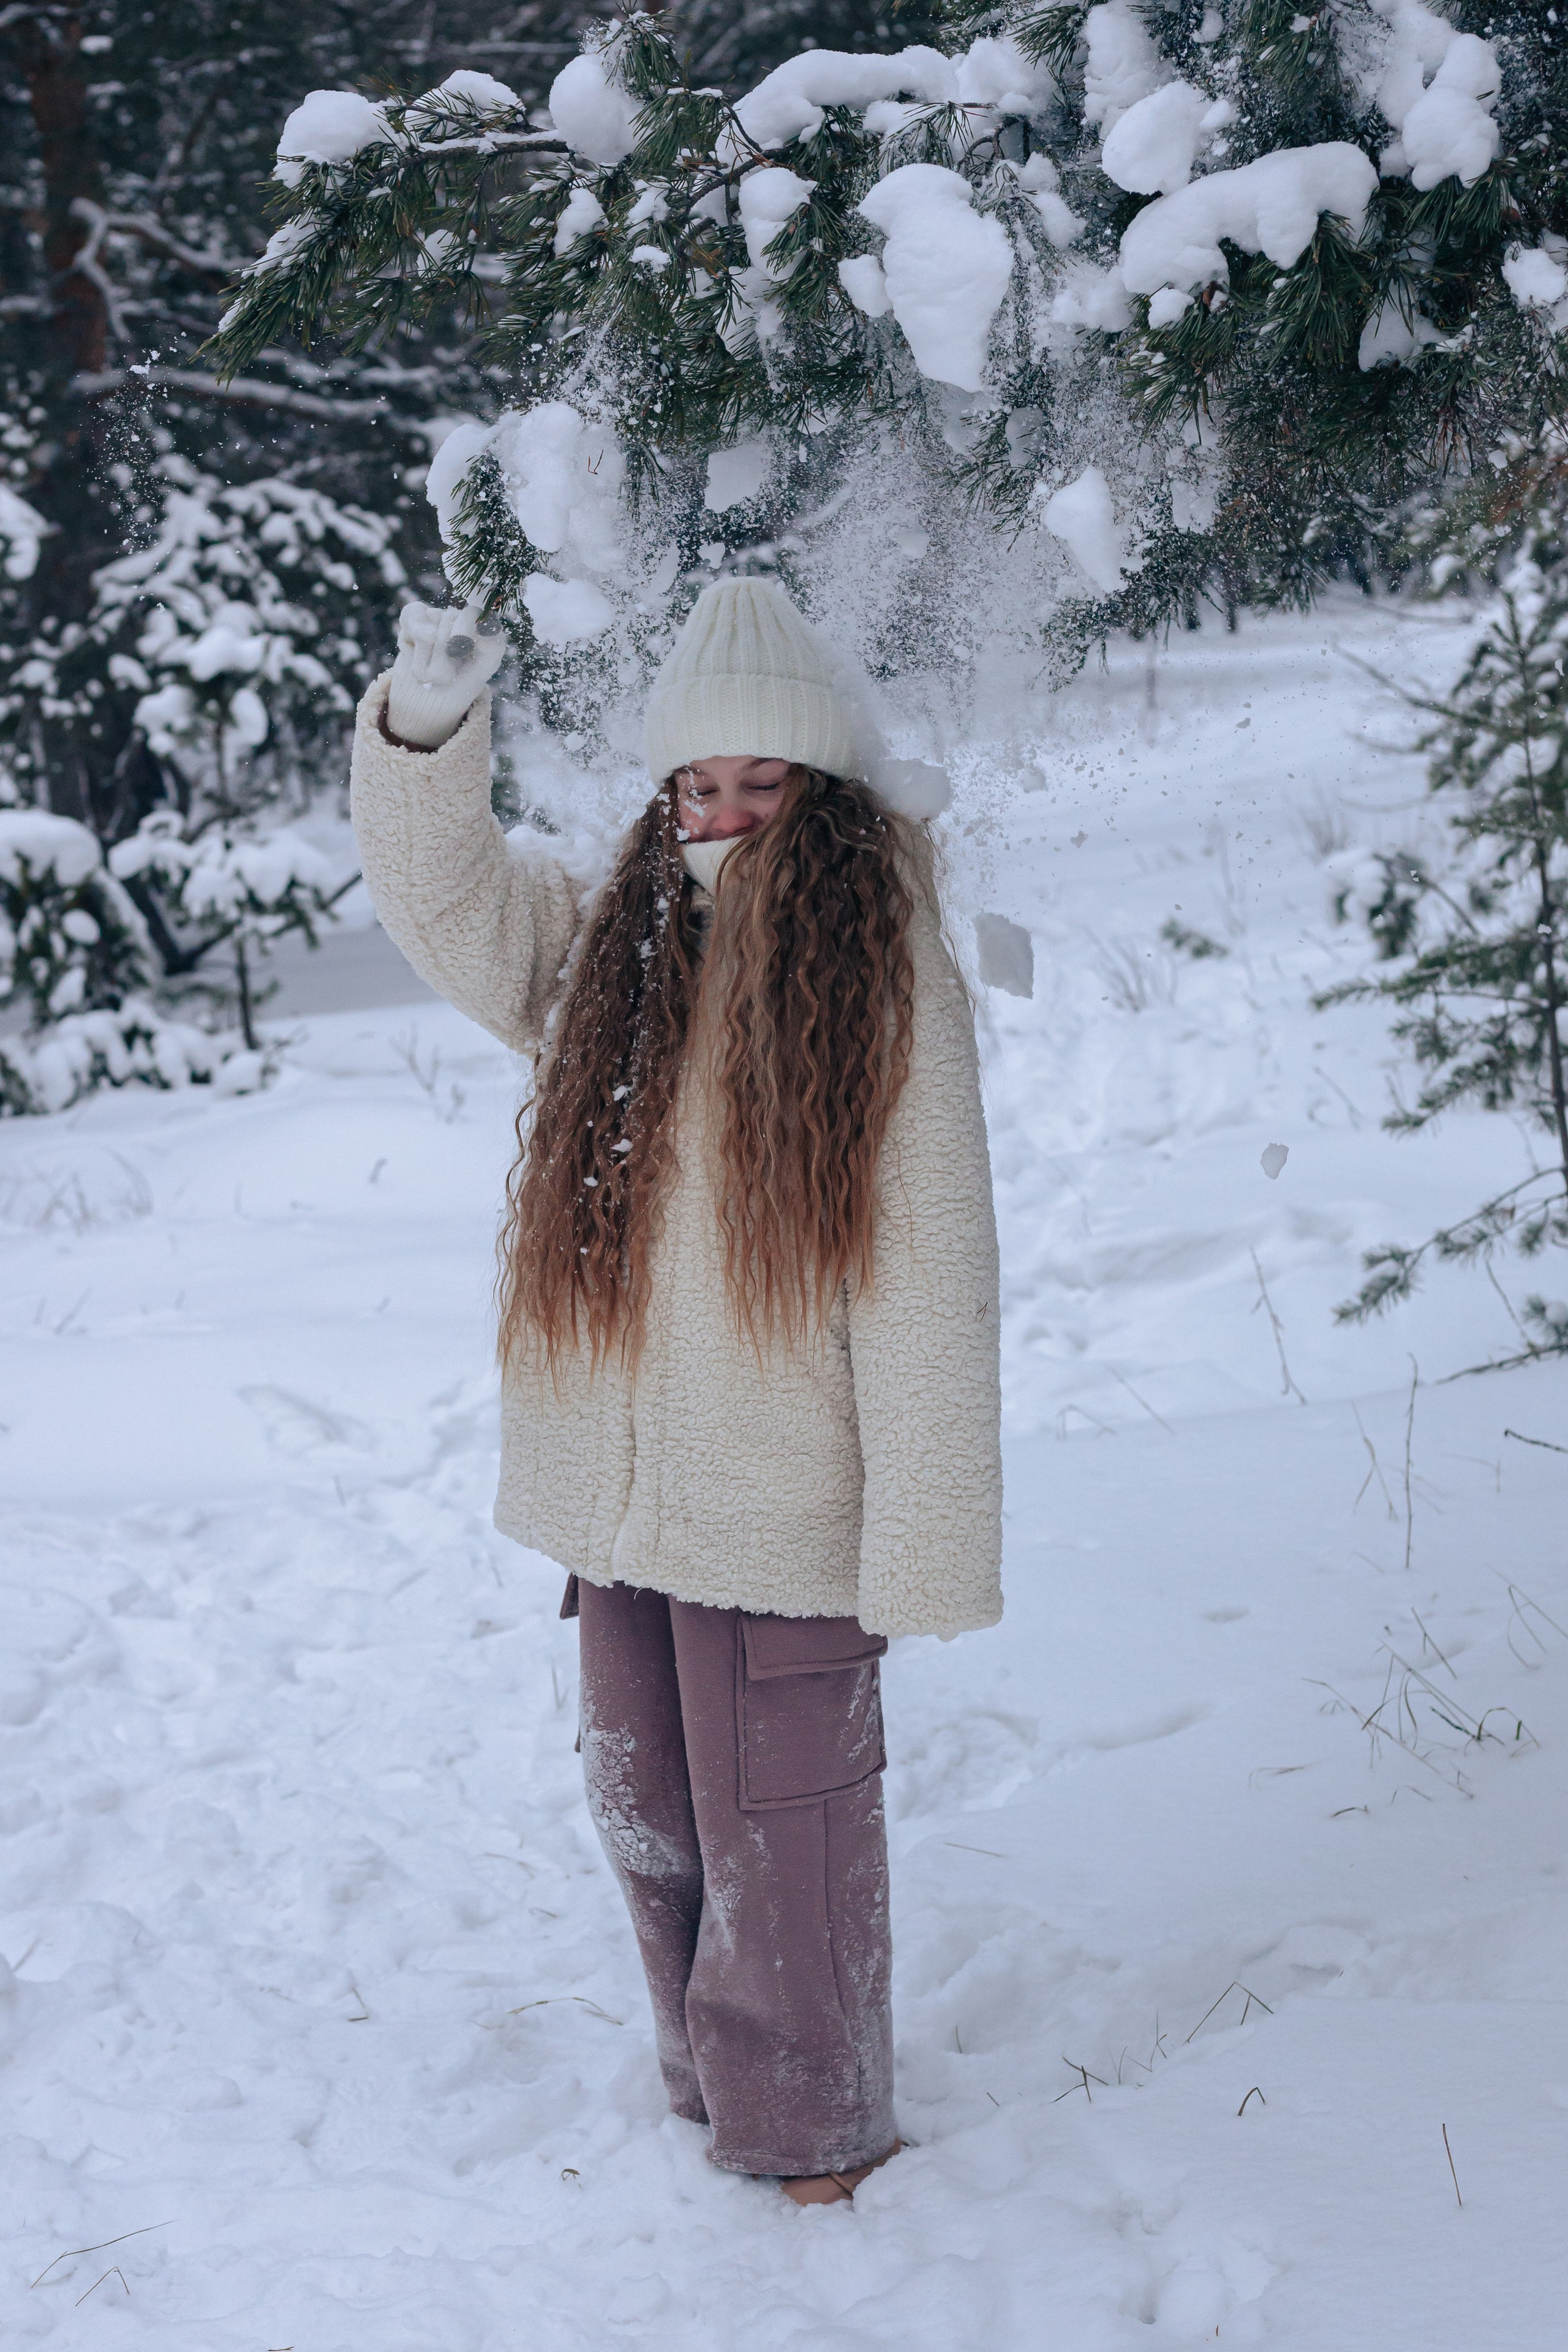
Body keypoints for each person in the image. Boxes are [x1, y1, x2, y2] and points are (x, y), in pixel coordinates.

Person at [350, 576, 1002, 2206]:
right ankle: (705, 2084)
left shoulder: (891, 989)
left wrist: (925, 1542)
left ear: (827, 794)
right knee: (653, 1812)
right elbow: (443, 908)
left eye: (761, 785)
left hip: (788, 1499)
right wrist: (429, 721)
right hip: (623, 1497)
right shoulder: (611, 957)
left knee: (790, 1833)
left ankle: (814, 2134)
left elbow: (934, 1282)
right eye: (695, 787)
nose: (722, 816)